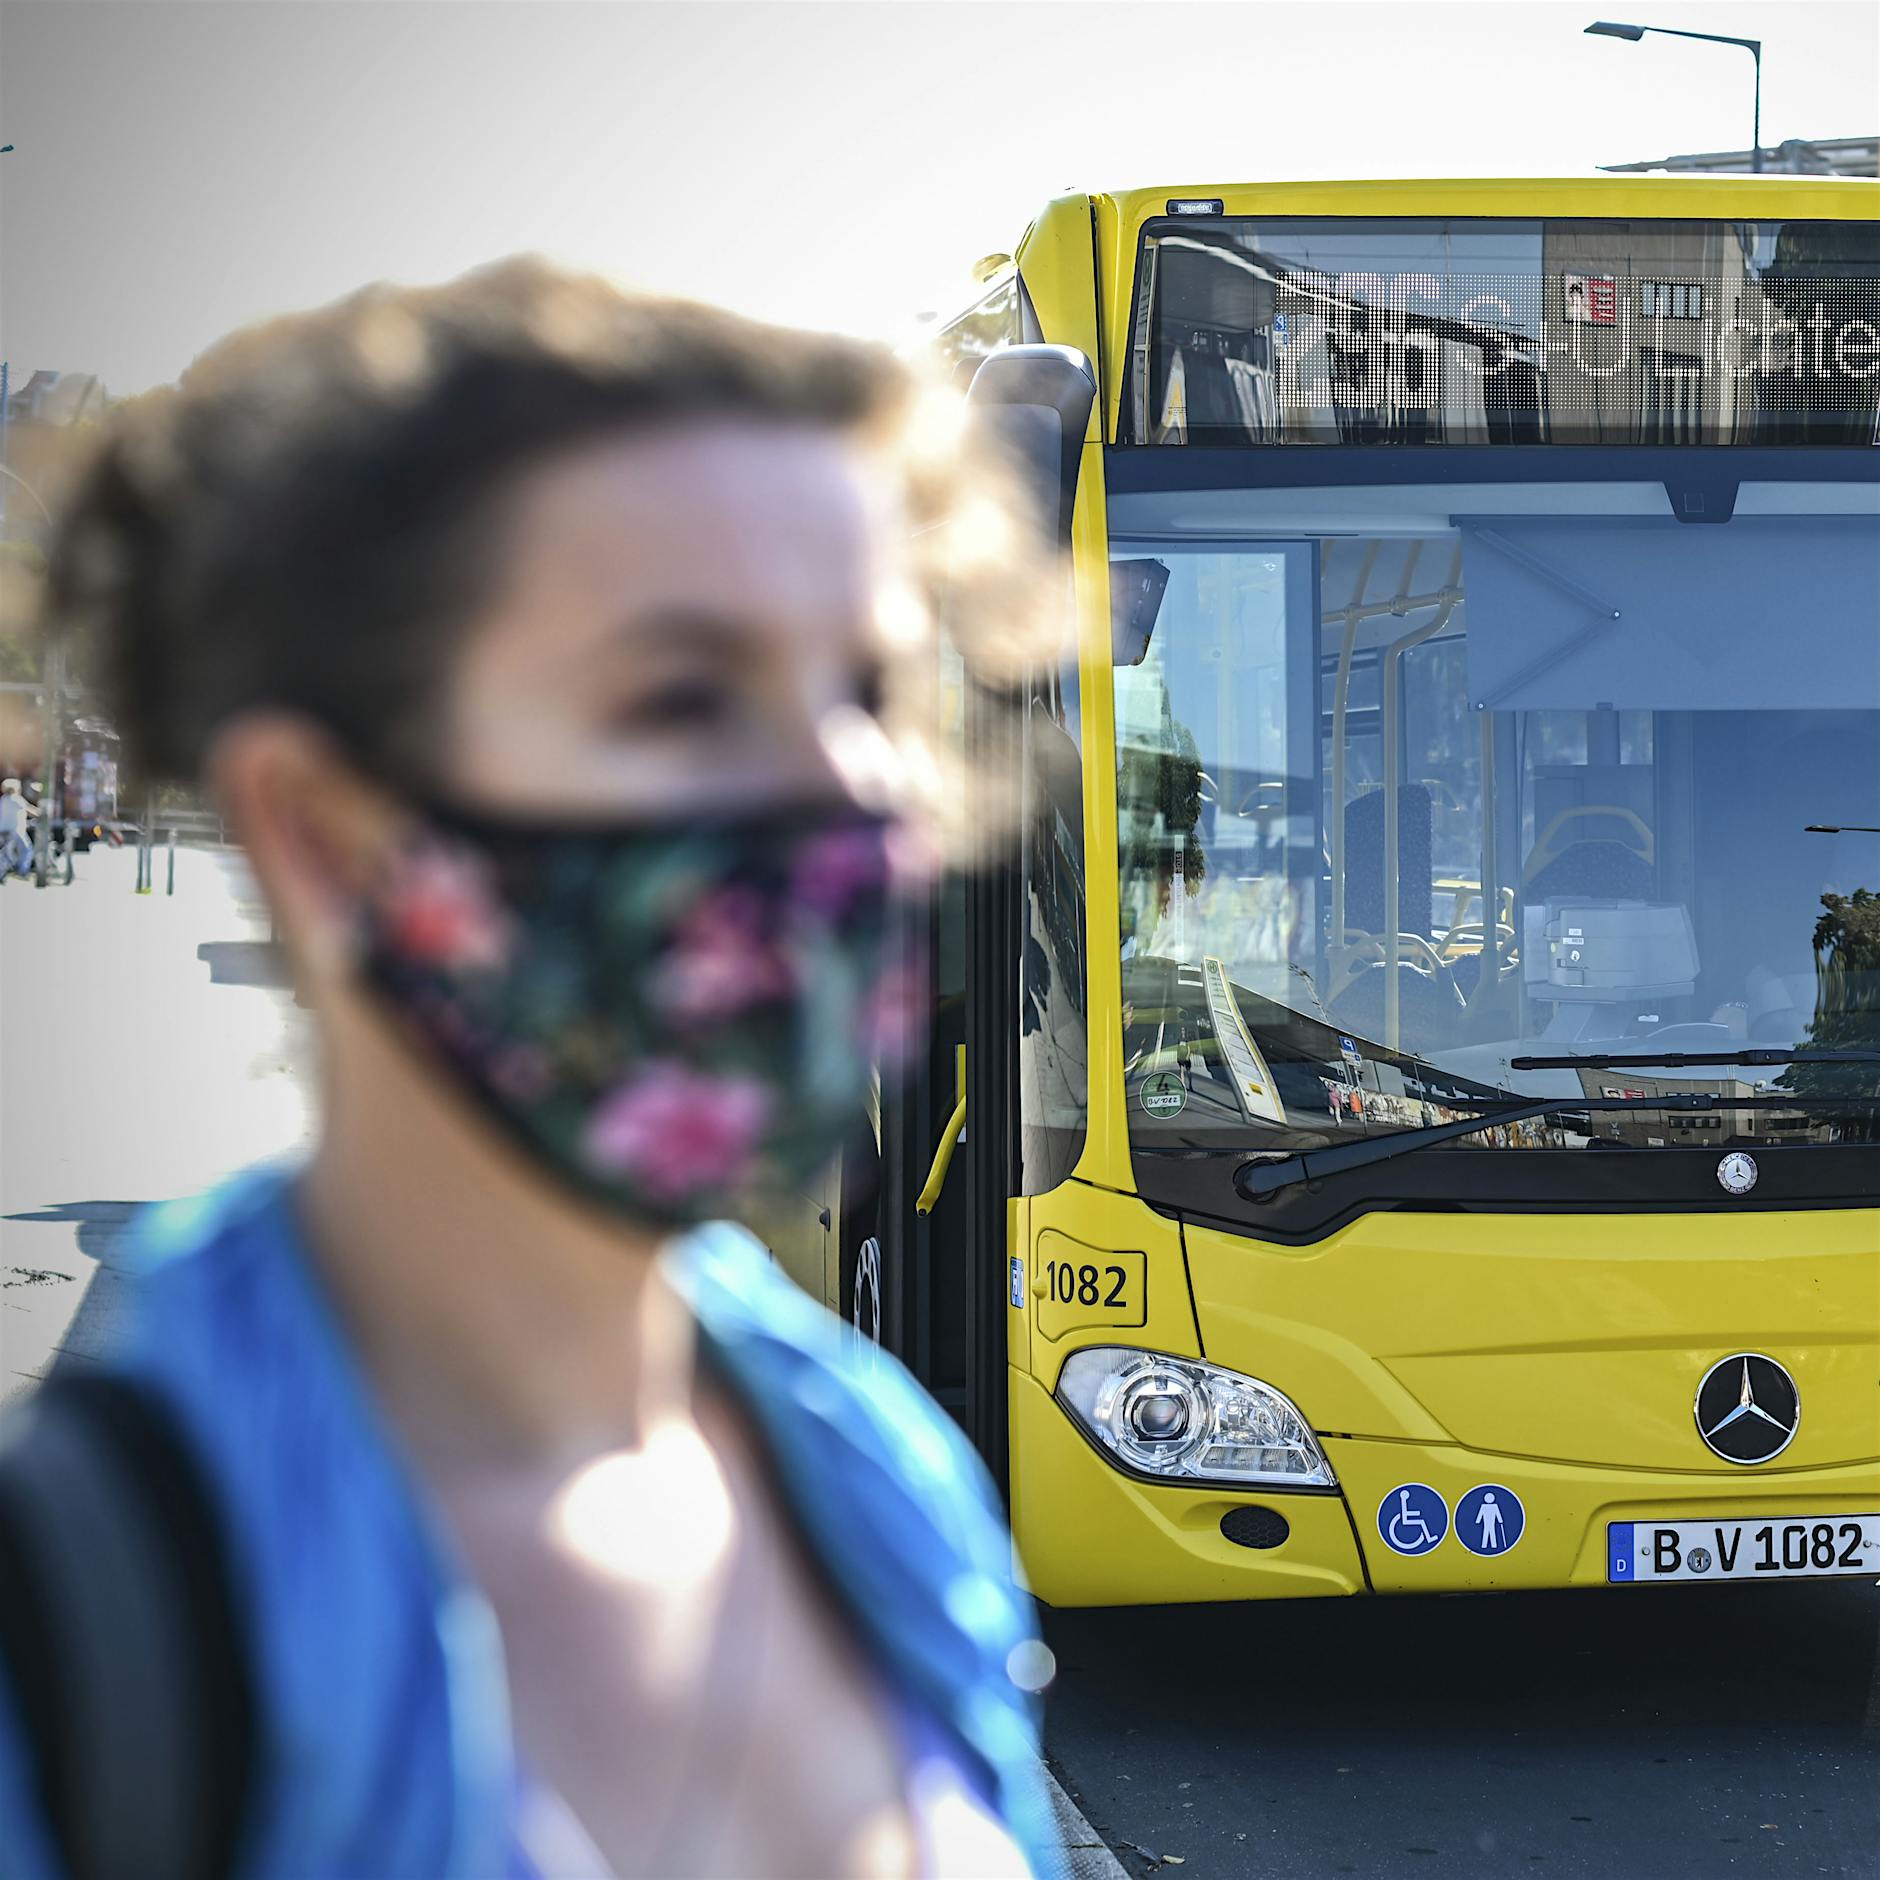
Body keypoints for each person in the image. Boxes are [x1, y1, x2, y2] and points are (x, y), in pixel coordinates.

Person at [0, 261, 1056, 1877]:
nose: (850, 785)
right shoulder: (88, 1628)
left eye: (869, 691)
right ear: (321, 834)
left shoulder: (882, 1479)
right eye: (683, 694)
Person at [0, 777, 36, 878]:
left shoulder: (3, 799)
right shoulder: (16, 798)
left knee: (6, 851)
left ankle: (5, 870)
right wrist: (42, 813)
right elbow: (29, 809)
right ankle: (22, 872)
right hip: (16, 830)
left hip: (3, 829)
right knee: (26, 849)